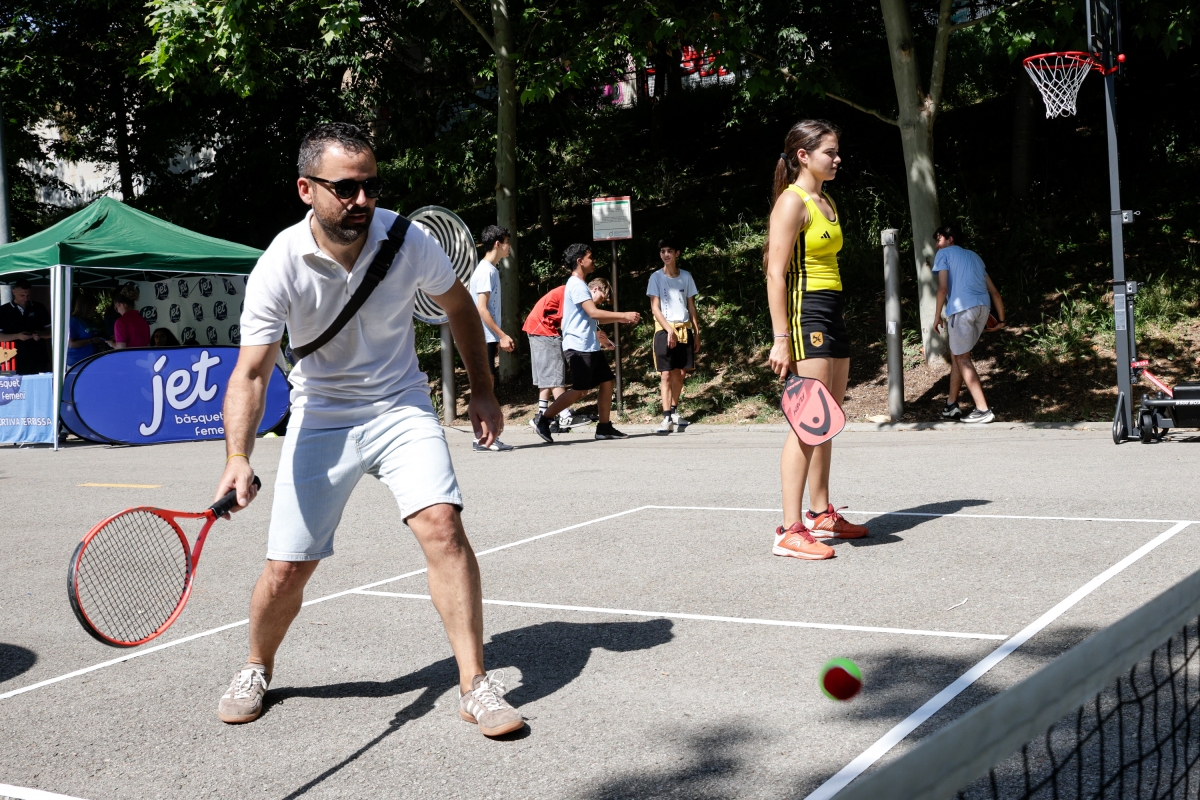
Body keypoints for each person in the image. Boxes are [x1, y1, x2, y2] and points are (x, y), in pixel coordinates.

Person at [212, 122, 523, 737]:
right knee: (286, 569)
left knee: (443, 526)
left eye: (371, 186)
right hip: (321, 413)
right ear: (307, 189)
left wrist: (483, 391)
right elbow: (251, 374)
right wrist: (238, 457)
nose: (362, 201)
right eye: (346, 188)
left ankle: (475, 685)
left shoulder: (408, 240)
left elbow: (460, 307)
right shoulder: (279, 263)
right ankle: (256, 666)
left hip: (400, 406)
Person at [765, 119, 869, 561]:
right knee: (807, 421)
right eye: (830, 151)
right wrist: (781, 337)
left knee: (828, 417)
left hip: (831, 312)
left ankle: (820, 513)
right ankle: (788, 531)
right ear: (804, 155)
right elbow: (774, 271)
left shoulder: (827, 201)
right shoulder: (793, 202)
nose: (838, 158)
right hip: (805, 315)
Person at [530, 244, 638, 442]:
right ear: (580, 261)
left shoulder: (581, 285)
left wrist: (619, 319)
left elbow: (593, 318)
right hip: (578, 346)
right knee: (580, 390)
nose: (593, 260)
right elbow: (593, 312)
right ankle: (543, 420)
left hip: (589, 346)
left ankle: (604, 427)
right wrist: (623, 314)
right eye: (590, 257)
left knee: (607, 381)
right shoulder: (577, 285)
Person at [932, 224, 1006, 424]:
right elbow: (995, 292)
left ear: (950, 239)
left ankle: (983, 410)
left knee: (962, 358)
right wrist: (1001, 319)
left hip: (962, 309)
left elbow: (942, 289)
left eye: (939, 239)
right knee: (959, 354)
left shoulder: (944, 254)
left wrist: (937, 316)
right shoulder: (974, 256)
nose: (937, 245)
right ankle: (951, 406)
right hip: (983, 308)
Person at [468, 225, 516, 451]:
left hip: (484, 338)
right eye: (507, 241)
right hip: (480, 337)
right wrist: (501, 335)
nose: (509, 247)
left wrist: (494, 339)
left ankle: (485, 438)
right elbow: (482, 309)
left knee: (487, 385)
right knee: (486, 387)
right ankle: (484, 439)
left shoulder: (488, 269)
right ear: (497, 243)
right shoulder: (487, 271)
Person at [646, 237, 700, 433]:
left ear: (677, 253)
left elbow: (691, 306)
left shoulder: (686, 276)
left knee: (681, 372)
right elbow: (654, 307)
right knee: (666, 374)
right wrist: (669, 330)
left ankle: (675, 411)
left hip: (684, 328)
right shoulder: (655, 277)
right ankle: (666, 416)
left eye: (669, 251)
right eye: (662, 251)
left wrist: (697, 332)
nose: (665, 255)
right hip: (664, 330)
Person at [522, 283, 588, 433]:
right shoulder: (572, 293)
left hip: (536, 327)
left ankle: (541, 415)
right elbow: (566, 323)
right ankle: (565, 416)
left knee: (546, 375)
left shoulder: (566, 289)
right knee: (555, 375)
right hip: (544, 330)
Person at [0, 279, 52, 374]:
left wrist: (40, 335)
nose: (25, 298)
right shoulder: (3, 311)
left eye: (28, 295)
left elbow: (52, 332)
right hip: (10, 361)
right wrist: (17, 336)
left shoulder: (39, 307)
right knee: (13, 388)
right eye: (22, 295)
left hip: (38, 359)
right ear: (14, 292)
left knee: (40, 386)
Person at [67, 292, 106, 367]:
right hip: (77, 363)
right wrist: (91, 341)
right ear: (87, 306)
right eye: (94, 306)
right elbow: (71, 344)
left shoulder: (89, 321)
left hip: (92, 361)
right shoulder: (73, 321)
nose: (95, 309)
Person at [110, 284, 151, 348]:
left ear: (122, 305)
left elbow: (121, 349)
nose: (117, 311)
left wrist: (112, 344)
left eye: (116, 308)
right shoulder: (143, 320)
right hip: (143, 356)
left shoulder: (120, 322)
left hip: (130, 357)